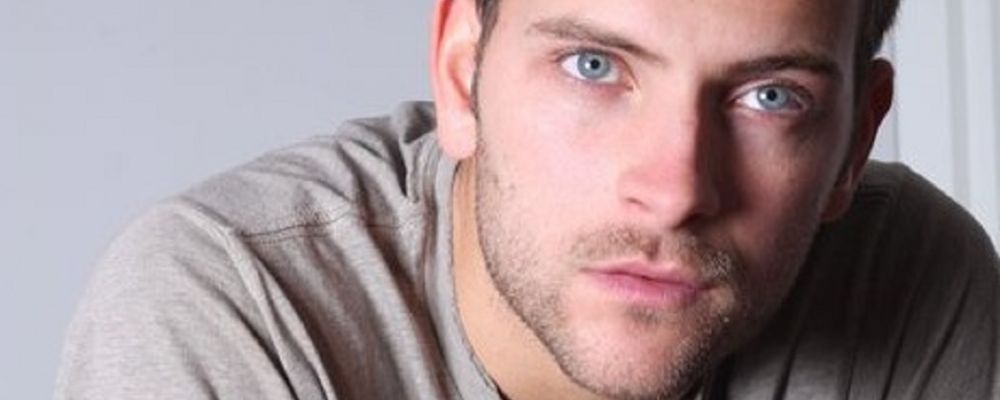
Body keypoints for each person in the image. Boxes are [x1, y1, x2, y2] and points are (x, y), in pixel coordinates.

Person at [56, 0, 1000, 399]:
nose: (675, 192)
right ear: (460, 76)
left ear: (856, 142)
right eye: (593, 67)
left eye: (771, 98)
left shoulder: (913, 280)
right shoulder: (230, 307)